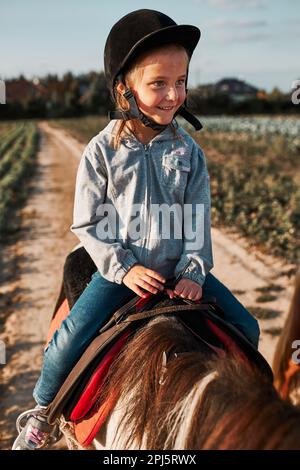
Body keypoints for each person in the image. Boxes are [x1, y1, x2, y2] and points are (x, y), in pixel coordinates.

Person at [12, 9, 259, 450]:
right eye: (159, 84)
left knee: (248, 328)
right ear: (125, 89)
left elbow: (197, 221)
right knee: (68, 340)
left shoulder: (189, 151)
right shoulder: (100, 152)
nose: (173, 95)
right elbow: (86, 223)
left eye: (181, 81)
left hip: (178, 270)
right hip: (119, 273)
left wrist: (194, 271)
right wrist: (123, 269)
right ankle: (42, 413)